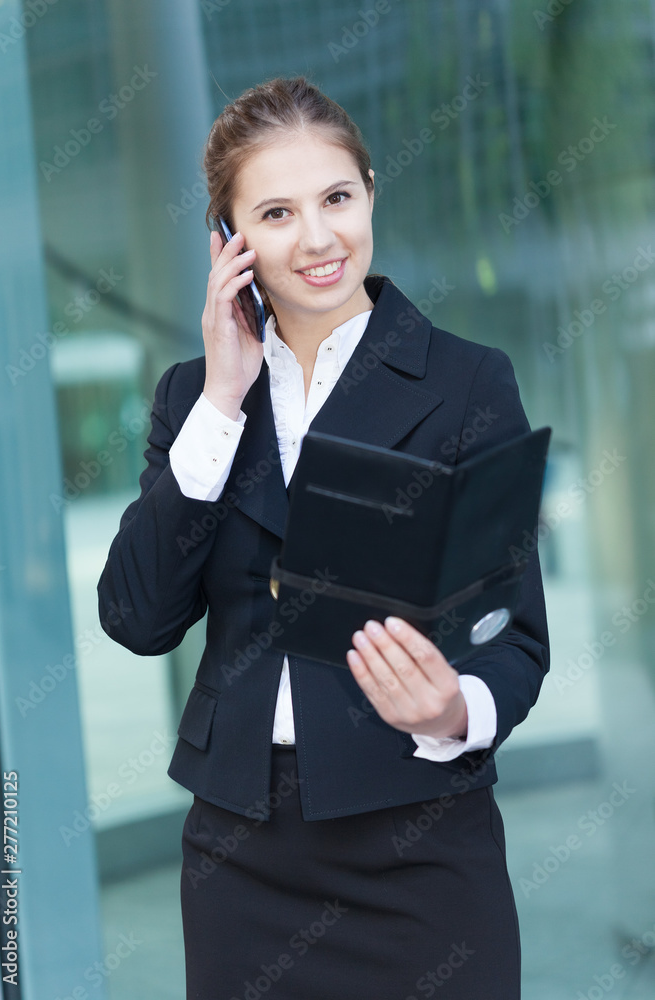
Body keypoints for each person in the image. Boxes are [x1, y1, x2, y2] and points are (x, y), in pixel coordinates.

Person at [98, 76, 549, 1000]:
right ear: (227, 239)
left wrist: (451, 713)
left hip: (416, 845)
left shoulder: (466, 382)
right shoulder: (193, 397)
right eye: (274, 212)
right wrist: (224, 401)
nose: (316, 238)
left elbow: (518, 638)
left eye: (336, 198)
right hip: (239, 855)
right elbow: (138, 616)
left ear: (370, 192)